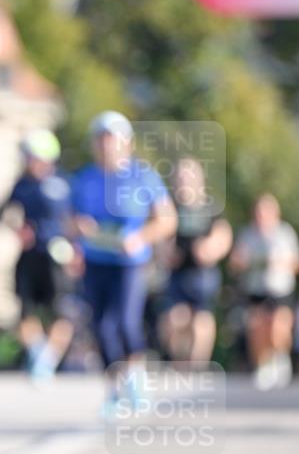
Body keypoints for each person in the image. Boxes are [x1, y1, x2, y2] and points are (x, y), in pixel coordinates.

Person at [69, 111, 177, 413]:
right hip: (96, 260)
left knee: (126, 322)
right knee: (102, 327)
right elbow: (69, 220)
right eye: (101, 140)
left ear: (126, 143)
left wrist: (140, 237)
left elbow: (167, 219)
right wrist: (79, 227)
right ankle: (114, 390)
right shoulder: (84, 178)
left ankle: (136, 377)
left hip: (130, 262)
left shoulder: (143, 175)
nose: (107, 146)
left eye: (113, 139)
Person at [3, 129, 75, 381]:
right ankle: (37, 352)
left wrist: (76, 251)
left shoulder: (63, 184)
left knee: (62, 312)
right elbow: (6, 213)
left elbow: (73, 220)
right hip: (30, 256)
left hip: (56, 257)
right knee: (25, 310)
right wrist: (18, 228)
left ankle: (48, 359)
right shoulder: (21, 185)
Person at [159, 157, 232, 368]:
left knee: (201, 319)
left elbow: (223, 233)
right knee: (174, 318)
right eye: (180, 176)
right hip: (178, 271)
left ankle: (197, 365)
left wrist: (211, 248)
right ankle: (179, 362)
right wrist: (165, 252)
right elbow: (160, 233)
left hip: (203, 272)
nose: (184, 180)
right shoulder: (170, 206)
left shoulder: (210, 206)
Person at [229, 193, 298, 389]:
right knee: (256, 327)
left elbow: (295, 263)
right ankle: (263, 365)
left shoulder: (284, 233)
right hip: (256, 288)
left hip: (280, 289)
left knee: (278, 327)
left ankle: (280, 359)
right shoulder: (248, 234)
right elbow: (235, 262)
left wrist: (280, 262)